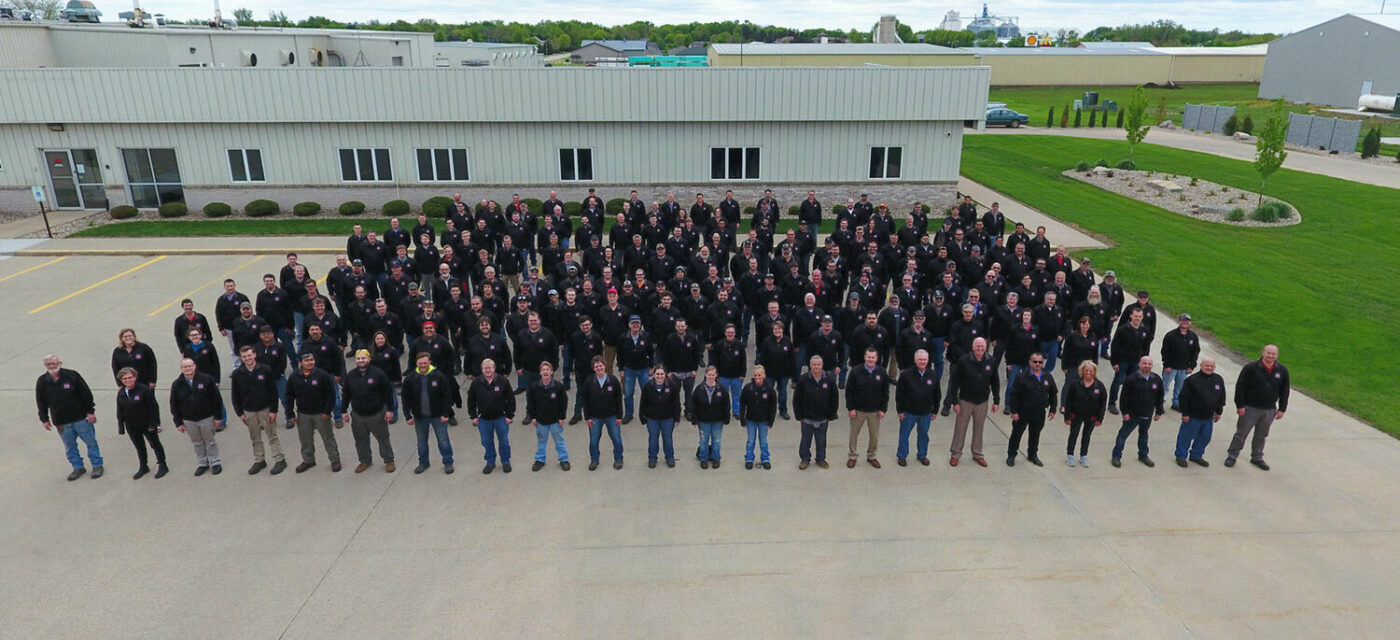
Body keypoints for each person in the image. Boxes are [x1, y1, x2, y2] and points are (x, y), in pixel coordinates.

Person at [1227, 344, 1290, 470]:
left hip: (1269, 410)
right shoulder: (1251, 368)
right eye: (1268, 353)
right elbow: (1240, 387)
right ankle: (1232, 455)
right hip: (1250, 408)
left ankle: (1257, 457)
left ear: (1277, 355)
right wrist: (1240, 405)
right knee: (1241, 433)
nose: (1270, 356)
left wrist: (1282, 409)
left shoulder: (1282, 371)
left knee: (1261, 435)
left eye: (1273, 354)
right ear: (1263, 353)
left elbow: (1285, 390)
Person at [231, 346, 287, 476]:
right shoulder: (237, 374)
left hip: (265, 409)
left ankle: (279, 459)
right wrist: (240, 413)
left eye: (249, 355)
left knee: (272, 435)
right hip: (249, 411)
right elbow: (235, 395)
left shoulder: (265, 370)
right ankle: (260, 460)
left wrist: (274, 410)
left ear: (254, 355)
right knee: (255, 437)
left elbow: (273, 391)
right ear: (241, 358)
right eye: (244, 357)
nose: (247, 358)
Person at [946, 337, 1000, 467]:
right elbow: (954, 382)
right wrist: (955, 402)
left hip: (982, 401)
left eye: (982, 346)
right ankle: (955, 454)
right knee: (960, 428)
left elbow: (995, 381)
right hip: (965, 400)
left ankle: (977, 454)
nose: (980, 349)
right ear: (973, 347)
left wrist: (996, 400)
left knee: (979, 428)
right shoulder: (964, 360)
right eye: (978, 346)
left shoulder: (991, 361)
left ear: (986, 347)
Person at [341, 349, 397, 474]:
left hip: (377, 414)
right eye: (358, 359)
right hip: (358, 415)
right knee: (360, 440)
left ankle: (388, 460)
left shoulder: (378, 374)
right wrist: (343, 410)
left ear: (369, 359)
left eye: (363, 358)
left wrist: (390, 410)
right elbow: (346, 394)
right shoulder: (351, 375)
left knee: (383, 438)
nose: (361, 361)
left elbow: (388, 392)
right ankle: (365, 460)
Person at [285, 353, 342, 473]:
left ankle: (335, 459)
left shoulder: (322, 375)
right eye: (307, 360)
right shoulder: (294, 377)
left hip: (321, 414)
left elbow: (331, 395)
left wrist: (327, 411)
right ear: (300, 363)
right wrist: (290, 413)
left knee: (328, 438)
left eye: (312, 360)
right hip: (303, 414)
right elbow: (289, 396)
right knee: (305, 439)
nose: (310, 362)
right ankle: (308, 460)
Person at [169, 357, 226, 476]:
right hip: (188, 420)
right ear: (181, 369)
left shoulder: (206, 380)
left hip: (206, 417)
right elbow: (174, 404)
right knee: (197, 442)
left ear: (194, 366)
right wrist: (178, 422)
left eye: (190, 366)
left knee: (210, 441)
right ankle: (202, 463)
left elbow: (216, 399)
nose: (188, 368)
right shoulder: (177, 384)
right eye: (185, 367)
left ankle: (214, 462)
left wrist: (218, 417)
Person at [401, 352, 455, 474]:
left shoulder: (439, 377)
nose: (423, 365)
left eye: (425, 363)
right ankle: (423, 463)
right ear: (416, 363)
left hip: (438, 416)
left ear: (430, 362)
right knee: (421, 442)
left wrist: (446, 414)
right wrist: (407, 415)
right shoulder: (410, 379)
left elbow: (447, 396)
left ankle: (448, 462)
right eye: (420, 363)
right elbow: (405, 398)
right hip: (420, 417)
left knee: (443, 440)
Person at [1111, 355, 1165, 468]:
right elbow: (1124, 397)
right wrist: (1125, 412)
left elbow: (1160, 397)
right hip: (1132, 414)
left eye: (1149, 364)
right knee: (1123, 435)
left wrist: (1159, 411)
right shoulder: (1131, 379)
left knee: (1144, 435)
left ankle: (1143, 455)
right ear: (1139, 364)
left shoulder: (1157, 380)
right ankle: (1116, 456)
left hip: (1147, 414)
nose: (1147, 366)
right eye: (1144, 363)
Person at [1006, 352, 1058, 467]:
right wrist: (1014, 411)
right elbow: (1014, 395)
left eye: (1040, 362)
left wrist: (1053, 409)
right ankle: (1011, 455)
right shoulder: (1021, 377)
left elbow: (1053, 393)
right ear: (1030, 362)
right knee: (1017, 433)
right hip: (1023, 411)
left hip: (1039, 412)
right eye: (1035, 362)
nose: (1038, 364)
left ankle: (1032, 455)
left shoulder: (1047, 376)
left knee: (1035, 434)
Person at [114, 366, 167, 479]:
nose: (127, 380)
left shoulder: (144, 390)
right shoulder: (121, 393)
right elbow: (120, 411)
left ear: (135, 377)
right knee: (139, 446)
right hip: (131, 426)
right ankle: (144, 466)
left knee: (155, 444)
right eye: (124, 379)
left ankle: (162, 464)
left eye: (130, 377)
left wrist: (154, 423)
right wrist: (121, 427)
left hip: (147, 424)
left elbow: (153, 407)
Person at [467, 358, 516, 474]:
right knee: (486, 441)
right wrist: (473, 416)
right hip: (484, 419)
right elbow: (471, 401)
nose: (488, 370)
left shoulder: (503, 381)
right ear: (482, 370)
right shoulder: (476, 383)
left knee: (503, 441)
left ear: (494, 368)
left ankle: (505, 461)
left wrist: (510, 416)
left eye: (490, 367)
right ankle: (490, 462)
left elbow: (511, 399)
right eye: (485, 368)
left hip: (501, 418)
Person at [1175, 357, 1225, 468]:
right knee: (1186, 437)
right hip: (1192, 417)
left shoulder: (1218, 379)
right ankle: (1181, 456)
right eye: (1207, 365)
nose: (1209, 368)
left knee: (1204, 438)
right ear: (1201, 366)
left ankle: (1196, 455)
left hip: (1208, 417)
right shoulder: (1191, 380)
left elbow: (1221, 396)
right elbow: (1183, 398)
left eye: (1212, 366)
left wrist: (1219, 411)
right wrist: (1185, 414)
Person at [845, 347, 889, 469]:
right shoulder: (855, 371)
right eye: (868, 357)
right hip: (858, 410)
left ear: (877, 358)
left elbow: (885, 392)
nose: (870, 359)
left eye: (873, 357)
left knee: (874, 436)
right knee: (854, 434)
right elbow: (849, 391)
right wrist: (851, 408)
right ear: (865, 357)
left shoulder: (882, 372)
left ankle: (871, 456)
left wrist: (883, 409)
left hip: (875, 411)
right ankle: (852, 456)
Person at [895, 349, 940, 467]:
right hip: (909, 413)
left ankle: (922, 455)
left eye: (924, 359)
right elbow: (899, 394)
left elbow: (937, 394)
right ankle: (902, 455)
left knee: (923, 435)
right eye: (920, 359)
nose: (922, 362)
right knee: (904, 435)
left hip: (925, 413)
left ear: (928, 360)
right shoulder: (906, 375)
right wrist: (900, 410)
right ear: (915, 360)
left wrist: (935, 410)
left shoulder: (933, 375)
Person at [793, 355, 840, 469]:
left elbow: (834, 398)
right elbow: (797, 399)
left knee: (821, 441)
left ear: (822, 365)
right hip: (807, 418)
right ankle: (805, 459)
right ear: (810, 365)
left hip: (823, 417)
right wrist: (799, 415)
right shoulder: (803, 379)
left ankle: (821, 459)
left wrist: (831, 414)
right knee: (805, 441)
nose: (816, 367)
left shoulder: (829, 379)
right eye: (814, 364)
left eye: (818, 364)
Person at [579, 356, 624, 470]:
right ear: (593, 369)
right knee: (594, 441)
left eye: (601, 365)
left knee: (616, 439)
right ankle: (594, 460)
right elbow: (584, 400)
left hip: (612, 416)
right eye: (596, 366)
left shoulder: (613, 380)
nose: (599, 368)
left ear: (605, 366)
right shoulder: (589, 381)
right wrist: (587, 417)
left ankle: (618, 459)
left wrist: (619, 416)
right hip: (595, 417)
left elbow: (619, 399)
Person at [524, 361, 570, 471]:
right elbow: (531, 403)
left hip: (555, 420)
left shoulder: (559, 387)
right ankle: (540, 460)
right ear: (540, 372)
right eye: (543, 370)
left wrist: (562, 417)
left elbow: (564, 402)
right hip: (541, 421)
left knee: (559, 441)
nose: (545, 372)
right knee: (541, 441)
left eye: (547, 370)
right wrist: (533, 417)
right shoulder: (534, 387)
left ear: (552, 372)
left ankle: (564, 459)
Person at [1063, 361, 1107, 467]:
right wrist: (1067, 416)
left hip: (1091, 416)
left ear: (1094, 372)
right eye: (1086, 370)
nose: (1088, 373)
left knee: (1087, 435)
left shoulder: (1099, 386)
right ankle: (1070, 455)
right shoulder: (1075, 384)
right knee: (1074, 434)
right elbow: (1068, 401)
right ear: (1082, 371)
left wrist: (1099, 418)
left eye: (1091, 371)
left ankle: (1083, 455)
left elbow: (1103, 403)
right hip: (1076, 415)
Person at [640, 364, 682, 468]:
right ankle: (652, 458)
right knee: (653, 439)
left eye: (662, 374)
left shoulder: (672, 386)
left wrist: (677, 418)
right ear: (653, 374)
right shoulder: (647, 386)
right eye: (657, 374)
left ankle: (670, 458)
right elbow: (643, 403)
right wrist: (642, 417)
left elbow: (676, 403)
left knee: (667, 439)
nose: (659, 376)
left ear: (665, 374)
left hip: (668, 419)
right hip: (652, 419)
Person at [690, 366, 730, 469]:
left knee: (716, 441)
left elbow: (726, 404)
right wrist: (694, 419)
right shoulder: (699, 389)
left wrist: (726, 417)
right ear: (705, 375)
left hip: (718, 420)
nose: (711, 377)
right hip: (703, 421)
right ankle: (703, 458)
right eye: (709, 375)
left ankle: (716, 458)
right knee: (704, 440)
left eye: (713, 375)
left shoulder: (722, 389)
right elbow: (693, 405)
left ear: (716, 375)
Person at [617, 314, 654, 424]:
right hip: (629, 369)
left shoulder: (646, 336)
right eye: (633, 323)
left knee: (646, 392)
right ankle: (629, 414)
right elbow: (619, 354)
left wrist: (651, 366)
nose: (635, 325)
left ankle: (647, 413)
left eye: (637, 323)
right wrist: (621, 369)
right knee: (628, 393)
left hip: (643, 369)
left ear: (640, 325)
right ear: (629, 325)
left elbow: (651, 352)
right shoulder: (623, 337)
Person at [1160, 313, 1201, 412]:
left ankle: (1176, 403)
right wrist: (1167, 365)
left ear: (1190, 323)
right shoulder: (1171, 335)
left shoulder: (1193, 337)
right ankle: (1159, 403)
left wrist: (1192, 366)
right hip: (1171, 367)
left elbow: (1195, 352)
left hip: (1184, 368)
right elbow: (1165, 351)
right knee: (1164, 386)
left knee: (1180, 388)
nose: (1185, 322)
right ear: (1179, 322)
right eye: (1183, 320)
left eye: (1187, 321)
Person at [739, 365, 778, 470]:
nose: (757, 377)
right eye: (755, 375)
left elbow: (773, 406)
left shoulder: (770, 389)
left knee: (763, 441)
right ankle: (749, 459)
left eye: (759, 375)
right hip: (751, 419)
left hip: (764, 420)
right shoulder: (748, 388)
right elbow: (742, 403)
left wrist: (771, 421)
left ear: (764, 375)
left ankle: (765, 459)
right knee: (751, 440)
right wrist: (742, 418)